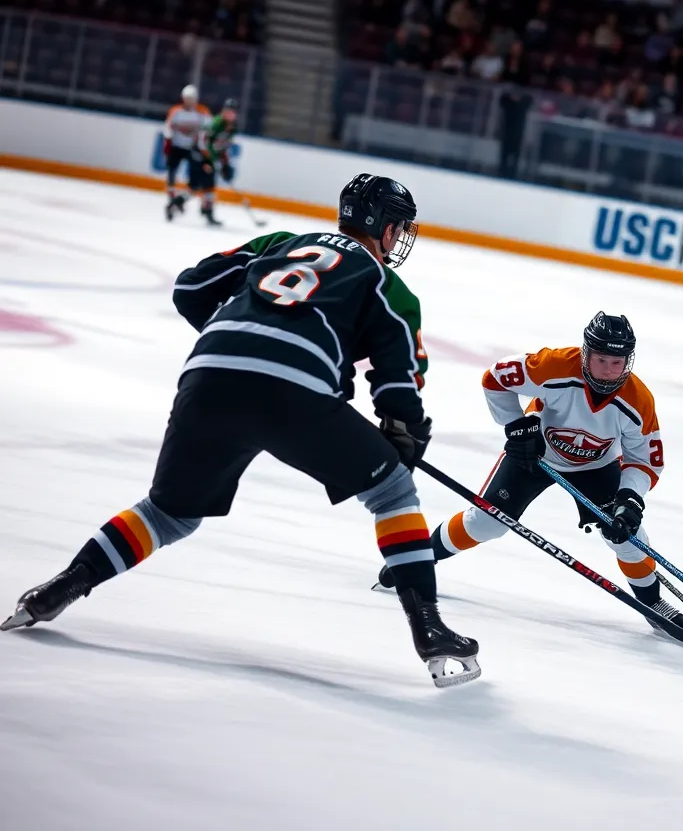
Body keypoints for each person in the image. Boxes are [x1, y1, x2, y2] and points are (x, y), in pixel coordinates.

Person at [1, 173, 480, 689]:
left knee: (168, 512)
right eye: (399, 227)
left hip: (209, 374)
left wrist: (244, 333)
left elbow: (190, 288)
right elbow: (397, 381)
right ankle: (429, 630)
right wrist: (403, 430)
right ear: (385, 229)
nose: (400, 237)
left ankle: (57, 589)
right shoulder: (389, 285)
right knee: (391, 492)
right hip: (295, 391)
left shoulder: (280, 244)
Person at [380, 313, 683, 630]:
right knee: (486, 523)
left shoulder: (638, 401)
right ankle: (417, 562)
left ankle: (652, 603)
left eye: (618, 362)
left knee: (628, 536)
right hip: (535, 454)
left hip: (597, 466)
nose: (610, 371)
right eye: (602, 360)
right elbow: (495, 378)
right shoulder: (553, 366)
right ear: (586, 354)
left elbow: (644, 460)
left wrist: (629, 500)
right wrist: (515, 427)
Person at [188, 97, 240, 227]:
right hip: (200, 154)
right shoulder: (216, 123)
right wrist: (211, 160)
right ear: (223, 111)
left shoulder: (232, 128)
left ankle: (207, 210)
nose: (230, 114)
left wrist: (225, 164)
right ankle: (178, 202)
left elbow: (223, 147)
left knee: (209, 184)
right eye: (228, 111)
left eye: (233, 112)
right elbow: (204, 143)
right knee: (196, 185)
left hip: (210, 157)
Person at [162, 85, 211, 221]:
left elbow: (208, 130)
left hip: (192, 149)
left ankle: (179, 200)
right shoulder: (175, 111)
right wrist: (168, 141)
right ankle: (172, 200)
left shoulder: (203, 112)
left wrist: (202, 146)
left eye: (192, 98)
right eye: (188, 98)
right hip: (176, 147)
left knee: (195, 181)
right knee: (171, 174)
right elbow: (168, 127)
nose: (190, 101)